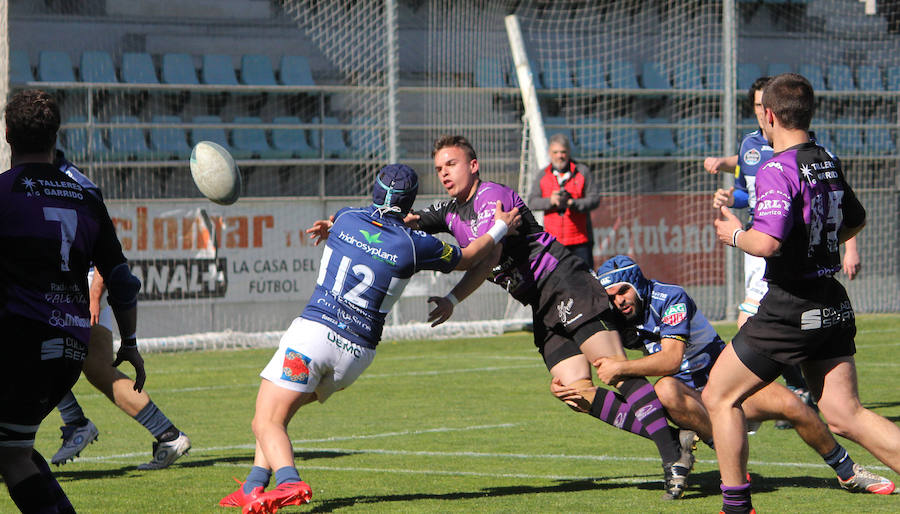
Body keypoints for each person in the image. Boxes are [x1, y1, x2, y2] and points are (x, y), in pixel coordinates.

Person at [219, 164, 521, 513]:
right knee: (278, 415)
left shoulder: (347, 217)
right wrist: (501, 226)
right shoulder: (414, 245)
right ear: (410, 204)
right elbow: (469, 258)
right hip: (355, 355)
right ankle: (254, 486)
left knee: (265, 420)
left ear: (374, 190)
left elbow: (343, 223)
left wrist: (329, 227)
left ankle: (290, 482)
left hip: (314, 336)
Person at [411, 135, 694, 500]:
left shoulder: (492, 197)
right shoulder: (449, 210)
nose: (444, 173)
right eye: (439, 168)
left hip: (563, 280)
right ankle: (672, 436)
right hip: (539, 303)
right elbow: (410, 218)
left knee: (612, 366)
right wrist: (347, 221)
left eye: (451, 164)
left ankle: (672, 458)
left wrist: (453, 292)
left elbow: (484, 257)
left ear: (473, 165)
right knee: (571, 389)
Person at [706, 73, 900, 513]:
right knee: (845, 413)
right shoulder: (825, 160)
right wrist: (821, 242)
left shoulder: (777, 167)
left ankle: (736, 507)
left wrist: (734, 234)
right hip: (830, 301)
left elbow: (768, 242)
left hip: (790, 306)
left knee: (719, 395)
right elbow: (856, 218)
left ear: (769, 115)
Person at [553, 254, 893, 496]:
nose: (619, 301)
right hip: (691, 397)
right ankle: (724, 456)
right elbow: (594, 349)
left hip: (727, 378)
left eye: (623, 291)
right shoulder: (616, 319)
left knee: (795, 407)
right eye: (611, 296)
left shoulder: (669, 297)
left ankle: (847, 471)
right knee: (666, 392)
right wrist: (575, 382)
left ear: (637, 284)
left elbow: (670, 360)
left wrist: (621, 366)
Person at [0, 89, 144, 512]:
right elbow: (122, 280)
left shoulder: (4, 194)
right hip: (67, 350)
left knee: (13, 456)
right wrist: (130, 342)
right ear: (55, 135)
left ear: (8, 134)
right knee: (14, 451)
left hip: (18, 346)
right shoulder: (84, 198)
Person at [48, 151, 190, 469]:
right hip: (67, 284)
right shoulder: (43, 177)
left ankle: (75, 422)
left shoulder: (74, 183)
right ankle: (167, 434)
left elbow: (107, 246)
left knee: (28, 350)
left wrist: (94, 295)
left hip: (80, 284)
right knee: (97, 369)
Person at [527, 133, 600, 267]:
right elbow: (532, 201)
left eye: (563, 152)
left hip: (580, 240)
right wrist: (551, 201)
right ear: (550, 153)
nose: (559, 156)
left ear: (569, 152)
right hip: (553, 241)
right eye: (555, 152)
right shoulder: (543, 175)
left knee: (585, 281)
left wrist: (572, 203)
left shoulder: (582, 171)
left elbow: (595, 199)